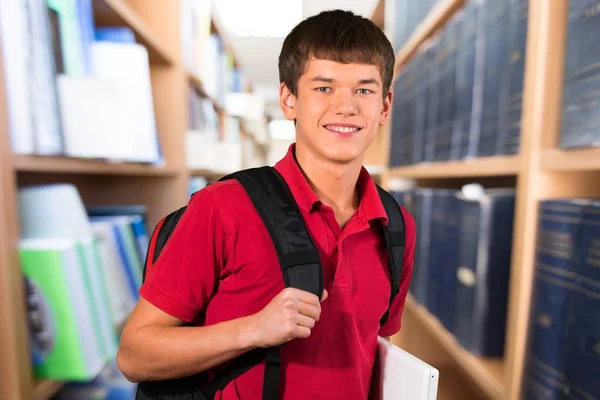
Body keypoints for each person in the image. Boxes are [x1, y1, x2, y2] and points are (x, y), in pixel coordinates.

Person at [117, 9, 416, 400]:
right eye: (324, 88)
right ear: (288, 100)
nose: (346, 107)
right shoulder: (222, 208)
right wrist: (254, 329)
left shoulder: (398, 227)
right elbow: (134, 355)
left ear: (385, 106)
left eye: (364, 89)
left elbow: (376, 352)